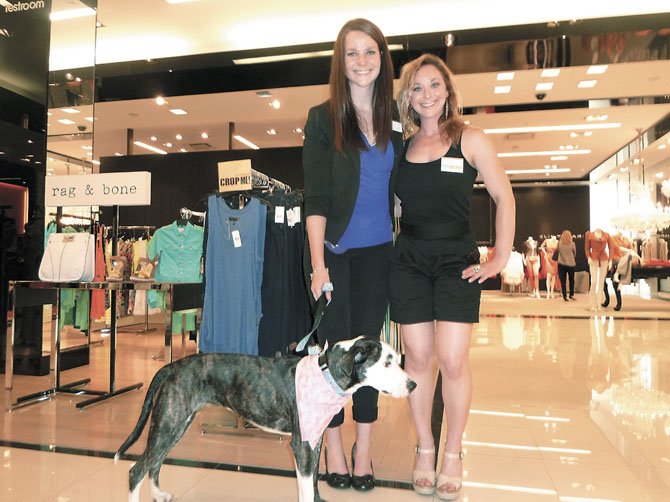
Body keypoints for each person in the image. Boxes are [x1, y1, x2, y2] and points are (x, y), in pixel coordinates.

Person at [390, 53, 515, 499]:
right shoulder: (401, 149)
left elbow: (504, 196)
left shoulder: (470, 139)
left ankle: (453, 452)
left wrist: (500, 256)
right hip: (409, 257)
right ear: (408, 97)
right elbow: (398, 207)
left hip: (456, 257)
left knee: (453, 358)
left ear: (447, 91)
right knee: (417, 358)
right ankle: (426, 447)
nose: (426, 94)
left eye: (433, 86)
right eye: (416, 88)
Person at [302, 18, 403, 492]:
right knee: (333, 357)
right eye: (352, 53)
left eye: (370, 52)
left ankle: (364, 448)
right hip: (335, 256)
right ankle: (335, 449)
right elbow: (316, 198)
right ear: (340, 63)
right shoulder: (323, 118)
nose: (362, 61)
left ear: (382, 59)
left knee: (371, 354)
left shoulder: (395, 118)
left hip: (377, 255)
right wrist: (318, 266)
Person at [585, 228, 612, 311]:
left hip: (604, 258)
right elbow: (586, 248)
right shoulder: (589, 235)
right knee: (594, 281)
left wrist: (610, 260)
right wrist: (588, 257)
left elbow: (611, 248)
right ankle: (592, 304)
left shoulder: (606, 235)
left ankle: (599, 304)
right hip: (593, 258)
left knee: (601, 282)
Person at [557, 229, 576, 301]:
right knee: (571, 280)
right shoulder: (572, 244)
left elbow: (557, 251)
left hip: (561, 263)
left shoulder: (559, 243)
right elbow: (574, 253)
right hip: (571, 264)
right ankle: (571, 294)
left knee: (563, 280)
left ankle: (565, 296)